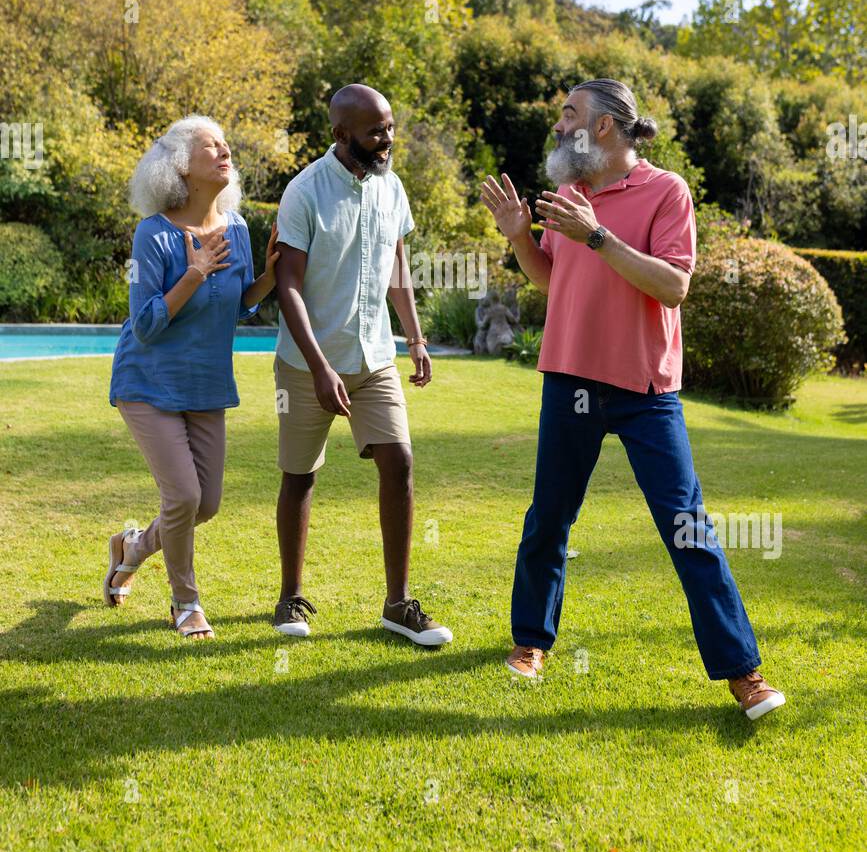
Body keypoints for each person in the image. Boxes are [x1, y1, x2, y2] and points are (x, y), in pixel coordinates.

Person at [481, 78, 785, 721]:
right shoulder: (569, 195)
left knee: (688, 529)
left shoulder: (666, 191)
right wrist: (518, 237)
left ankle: (744, 673)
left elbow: (673, 286)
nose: (559, 126)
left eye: (569, 115)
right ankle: (531, 642)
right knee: (550, 517)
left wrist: (598, 236)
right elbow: (554, 281)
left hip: (647, 391)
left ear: (606, 128)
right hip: (571, 379)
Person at [271, 84, 452, 647]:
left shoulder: (391, 187)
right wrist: (321, 366)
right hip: (307, 364)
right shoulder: (303, 192)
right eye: (375, 131)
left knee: (398, 461)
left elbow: (397, 268)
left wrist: (416, 338)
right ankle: (289, 597)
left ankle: (398, 605)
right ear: (340, 134)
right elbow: (288, 288)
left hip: (375, 358)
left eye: (390, 128)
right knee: (301, 475)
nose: (387, 140)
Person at [107, 115, 278, 640]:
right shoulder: (153, 235)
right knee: (182, 497)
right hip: (147, 380)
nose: (225, 153)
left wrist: (268, 277)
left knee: (206, 504)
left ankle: (133, 547)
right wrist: (195, 271)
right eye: (212, 147)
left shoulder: (238, 229)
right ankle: (186, 602)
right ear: (181, 166)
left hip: (205, 384)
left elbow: (239, 307)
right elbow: (148, 323)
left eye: (227, 146)